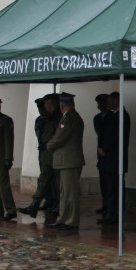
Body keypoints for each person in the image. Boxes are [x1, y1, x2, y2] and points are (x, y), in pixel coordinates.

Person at [45, 92, 85, 230]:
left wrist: (48, 145)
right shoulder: (69, 117)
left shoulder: (69, 118)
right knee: (65, 192)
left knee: (70, 193)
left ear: (62, 105)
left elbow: (59, 137)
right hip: (66, 161)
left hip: (69, 161)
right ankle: (63, 218)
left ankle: (71, 220)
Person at [18, 94, 60, 218]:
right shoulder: (44, 119)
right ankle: (35, 204)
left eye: (45, 104)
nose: (43, 108)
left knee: (57, 183)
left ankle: (56, 205)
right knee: (43, 180)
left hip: (54, 155)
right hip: (46, 155)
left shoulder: (57, 117)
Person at [97, 91, 130, 224]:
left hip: (115, 158)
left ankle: (116, 214)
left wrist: (105, 149)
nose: (108, 104)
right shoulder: (110, 115)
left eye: (110, 102)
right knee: (109, 188)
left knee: (116, 188)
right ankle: (110, 212)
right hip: (107, 159)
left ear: (117, 101)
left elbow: (116, 137)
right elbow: (102, 132)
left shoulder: (123, 116)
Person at [93, 93, 110, 217]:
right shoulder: (97, 118)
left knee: (110, 184)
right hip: (101, 153)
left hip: (109, 154)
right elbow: (99, 133)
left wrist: (105, 148)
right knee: (103, 182)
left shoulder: (113, 117)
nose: (100, 106)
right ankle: (105, 205)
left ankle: (110, 207)